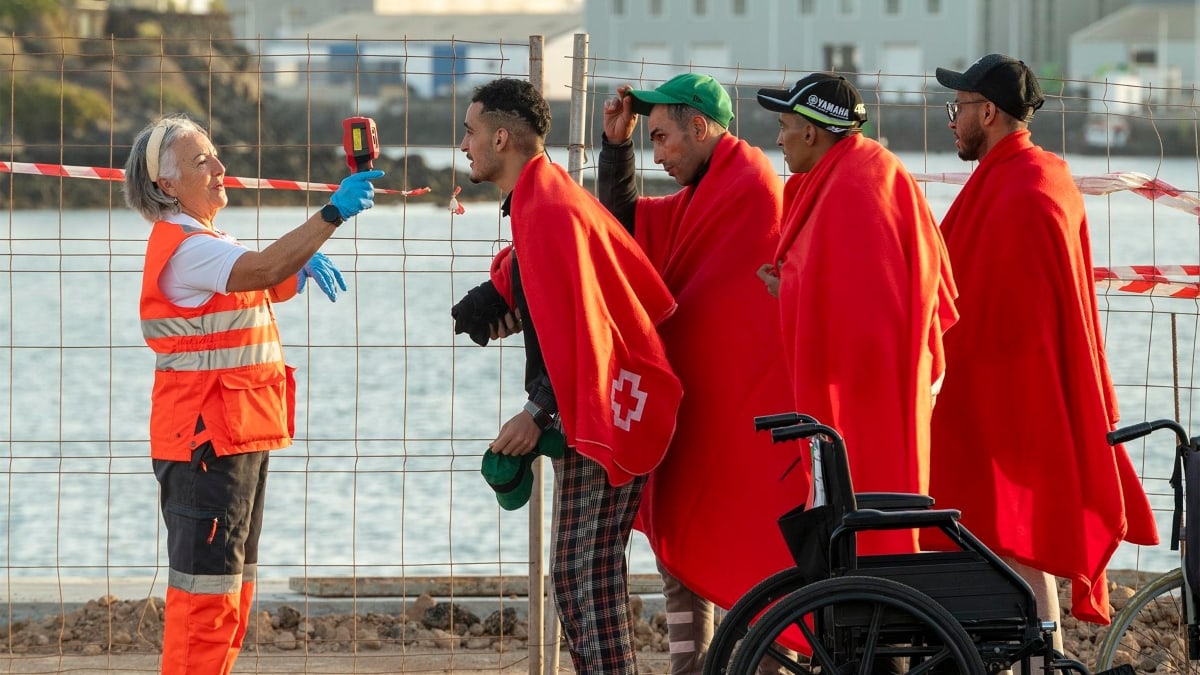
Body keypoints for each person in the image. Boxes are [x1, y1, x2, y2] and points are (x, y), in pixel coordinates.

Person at [123, 113, 383, 675]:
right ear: (167, 185)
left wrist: (294, 270)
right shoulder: (187, 246)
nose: (220, 168)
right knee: (205, 605)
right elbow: (260, 267)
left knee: (228, 596)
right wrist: (331, 215)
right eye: (202, 162)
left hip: (228, 439)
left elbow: (253, 283)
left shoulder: (203, 240)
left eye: (215, 155)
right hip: (206, 444)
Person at [454, 78, 682, 674]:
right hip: (596, 400)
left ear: (501, 138)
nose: (463, 144)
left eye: (472, 132)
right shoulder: (540, 196)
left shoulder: (547, 205)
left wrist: (536, 415)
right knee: (579, 577)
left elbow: (585, 327)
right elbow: (559, 295)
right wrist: (506, 296)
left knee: (588, 580)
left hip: (606, 402)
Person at [928, 54, 1158, 635]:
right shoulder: (1035, 175)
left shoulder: (1022, 187)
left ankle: (1033, 658)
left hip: (1011, 398)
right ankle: (1026, 657)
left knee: (1013, 543)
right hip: (1013, 391)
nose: (951, 120)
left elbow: (1004, 311)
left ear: (989, 111)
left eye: (958, 109)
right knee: (1006, 542)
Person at [597, 72, 804, 673]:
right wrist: (617, 146)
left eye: (662, 139)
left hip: (750, 419)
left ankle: (762, 666)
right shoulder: (701, 194)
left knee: (750, 547)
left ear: (700, 127)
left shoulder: (750, 189)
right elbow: (626, 228)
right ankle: (692, 668)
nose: (656, 154)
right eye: (650, 142)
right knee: (685, 538)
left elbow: (740, 317)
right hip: (706, 409)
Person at [755, 73, 959, 556]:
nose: (778, 138)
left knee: (867, 514)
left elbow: (860, 305)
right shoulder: (871, 168)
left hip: (869, 395)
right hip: (890, 382)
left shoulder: (853, 185)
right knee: (876, 510)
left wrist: (789, 291)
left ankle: (872, 613)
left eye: (784, 125)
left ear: (811, 131)